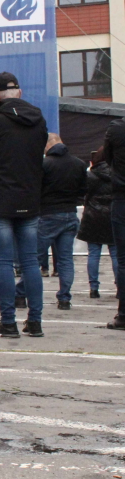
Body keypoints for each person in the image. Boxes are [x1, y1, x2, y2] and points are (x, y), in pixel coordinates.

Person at [0, 72, 48, 338]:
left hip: (0, 199)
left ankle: (8, 322)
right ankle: (35, 322)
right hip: (29, 197)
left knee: (3, 262)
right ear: (20, 92)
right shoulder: (38, 120)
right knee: (30, 262)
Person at [36, 133, 87, 310]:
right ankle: (64, 298)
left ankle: (21, 293)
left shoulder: (44, 164)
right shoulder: (79, 164)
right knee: (65, 260)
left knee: (33, 258)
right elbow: (83, 189)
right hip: (70, 213)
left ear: (49, 145)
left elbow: (36, 189)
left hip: (48, 214)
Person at [78, 147, 117, 299]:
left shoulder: (90, 175)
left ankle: (93, 287)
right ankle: (120, 287)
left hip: (93, 215)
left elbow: (84, 194)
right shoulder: (118, 174)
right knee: (115, 254)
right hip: (113, 215)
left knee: (93, 254)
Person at [103, 116, 125, 330]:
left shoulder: (117, 128)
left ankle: (124, 314)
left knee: (123, 259)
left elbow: (108, 158)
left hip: (122, 196)